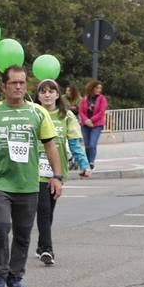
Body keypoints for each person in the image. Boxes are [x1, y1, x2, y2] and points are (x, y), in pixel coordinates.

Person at [0, 66, 63, 287]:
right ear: (4, 86)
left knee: (23, 233)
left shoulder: (37, 113)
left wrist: (57, 176)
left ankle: (15, 275)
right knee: (1, 227)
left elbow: (51, 145)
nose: (19, 87)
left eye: (22, 82)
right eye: (14, 83)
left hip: (28, 183)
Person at [34, 80, 90, 266]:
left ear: (58, 95)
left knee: (49, 210)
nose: (47, 95)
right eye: (43, 91)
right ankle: (47, 249)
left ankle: (41, 245)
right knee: (43, 209)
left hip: (57, 171)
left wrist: (84, 164)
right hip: (36, 170)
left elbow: (74, 143)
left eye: (51, 91)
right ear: (38, 95)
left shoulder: (66, 117)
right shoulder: (32, 113)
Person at [77, 79, 107, 170]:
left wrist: (91, 120)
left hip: (96, 125)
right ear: (92, 88)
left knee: (92, 144)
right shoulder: (85, 99)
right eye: (97, 88)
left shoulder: (102, 99)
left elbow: (101, 112)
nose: (99, 90)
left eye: (100, 88)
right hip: (85, 125)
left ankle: (91, 162)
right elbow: (81, 111)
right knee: (87, 145)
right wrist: (86, 120)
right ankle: (87, 162)